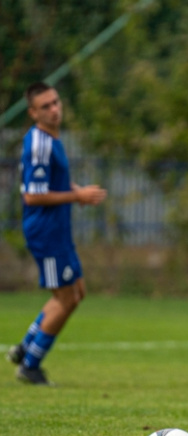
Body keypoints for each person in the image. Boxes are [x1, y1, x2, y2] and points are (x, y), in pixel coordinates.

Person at [5, 82, 107, 385]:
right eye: (46, 106)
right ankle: (30, 365)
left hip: (58, 230)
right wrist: (77, 196)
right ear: (33, 112)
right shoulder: (39, 144)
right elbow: (33, 196)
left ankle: (25, 348)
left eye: (56, 102)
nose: (54, 109)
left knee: (76, 293)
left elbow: (53, 186)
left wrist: (79, 192)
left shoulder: (52, 139)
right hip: (46, 232)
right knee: (64, 298)